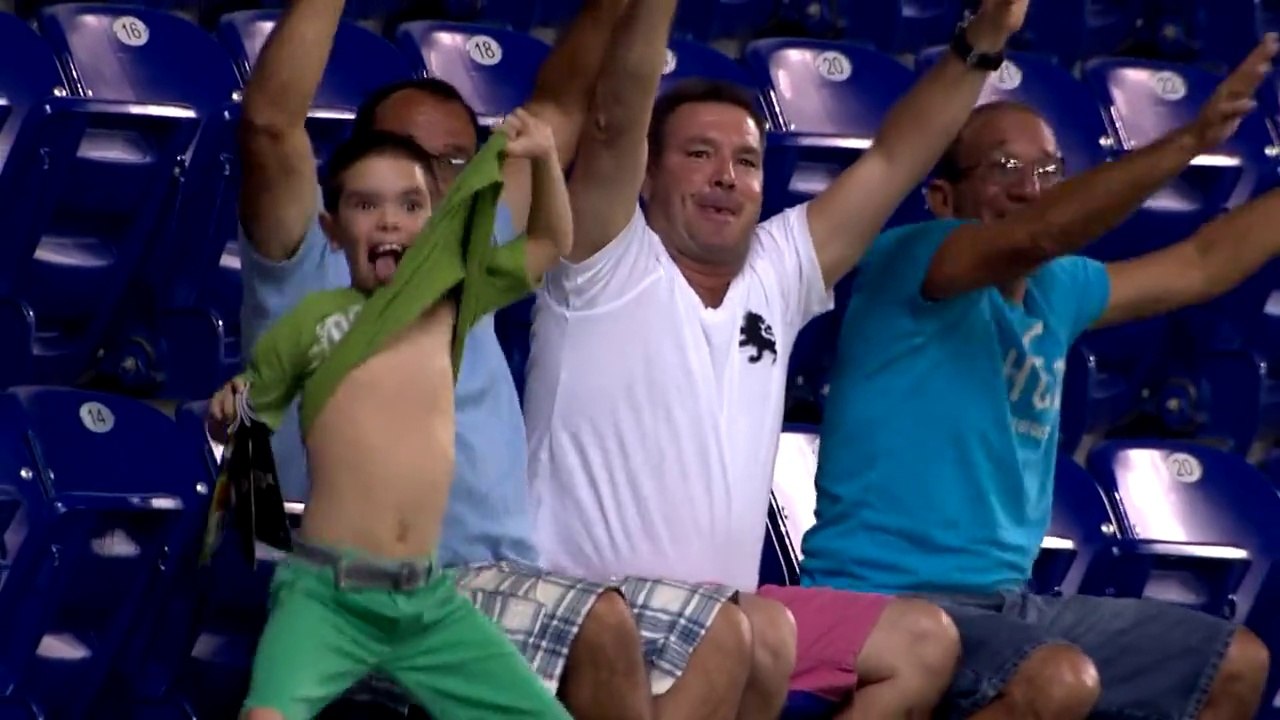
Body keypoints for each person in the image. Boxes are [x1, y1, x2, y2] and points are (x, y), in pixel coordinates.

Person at [234, 0, 755, 717]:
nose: (441, 181)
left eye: (456, 162)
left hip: (508, 580)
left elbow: (560, 103)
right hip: (377, 587)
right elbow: (267, 123)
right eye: (413, 162)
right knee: (602, 626)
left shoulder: (467, 250)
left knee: (727, 633)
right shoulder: (307, 256)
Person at [523, 0, 1031, 717]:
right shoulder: (602, 254)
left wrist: (979, 48)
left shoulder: (780, 270)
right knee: (748, 631)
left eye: (747, 160)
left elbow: (893, 160)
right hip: (589, 610)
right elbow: (613, 121)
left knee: (919, 640)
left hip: (725, 615)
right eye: (699, 155)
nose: (726, 176)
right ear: (646, 175)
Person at [802, 37, 1279, 720]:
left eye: (1049, 169)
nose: (1030, 187)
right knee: (1057, 680)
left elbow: (1204, 262)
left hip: (1008, 604)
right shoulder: (909, 259)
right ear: (943, 196)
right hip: (880, 600)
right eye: (1004, 168)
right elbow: (1039, 233)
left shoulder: (1061, 288)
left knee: (1236, 664)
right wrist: (1192, 140)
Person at [210, 110, 575, 719]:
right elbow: (251, 415)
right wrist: (226, 418)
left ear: (434, 224)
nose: (389, 221)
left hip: (429, 601)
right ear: (331, 227)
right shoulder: (312, 320)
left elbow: (549, 244)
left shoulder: (455, 304)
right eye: (365, 205)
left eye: (411, 206)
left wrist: (541, 160)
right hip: (326, 595)